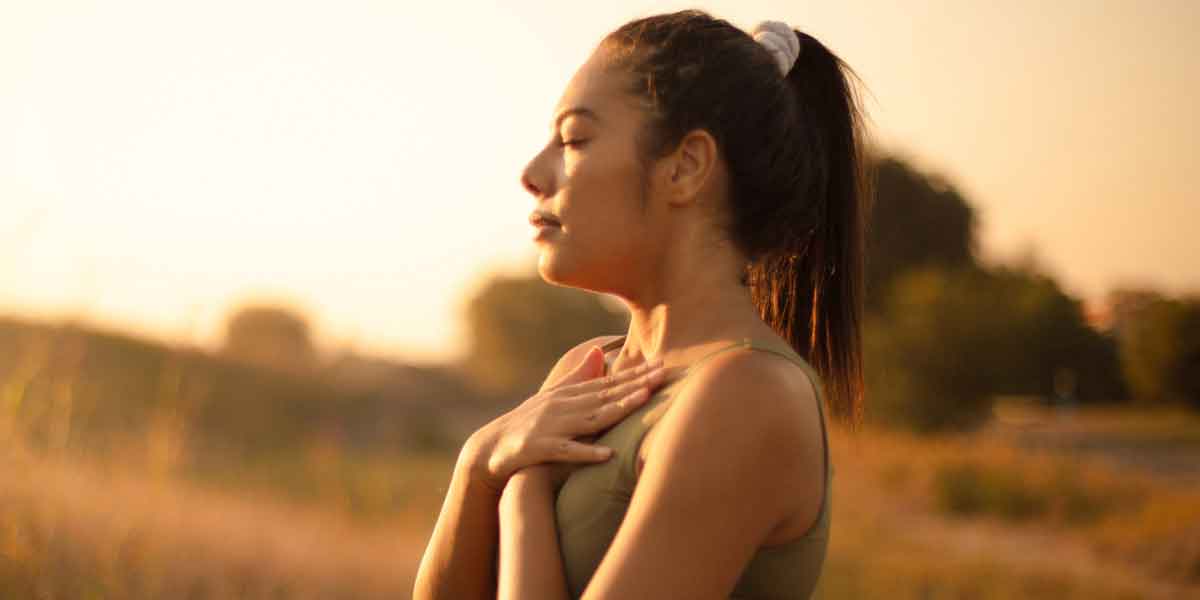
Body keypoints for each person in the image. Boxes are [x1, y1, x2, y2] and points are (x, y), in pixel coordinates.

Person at [413, 9, 869, 599]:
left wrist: (523, 486)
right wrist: (478, 467)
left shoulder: (747, 393)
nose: (531, 173)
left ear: (685, 167)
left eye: (575, 138)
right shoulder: (591, 370)